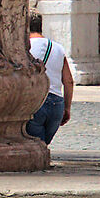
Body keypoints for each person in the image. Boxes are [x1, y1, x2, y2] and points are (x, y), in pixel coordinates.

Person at [24, 13, 74, 143]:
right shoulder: (58, 47)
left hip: (36, 101)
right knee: (43, 145)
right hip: (57, 103)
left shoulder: (24, 48)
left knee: (36, 146)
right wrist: (67, 108)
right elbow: (69, 81)